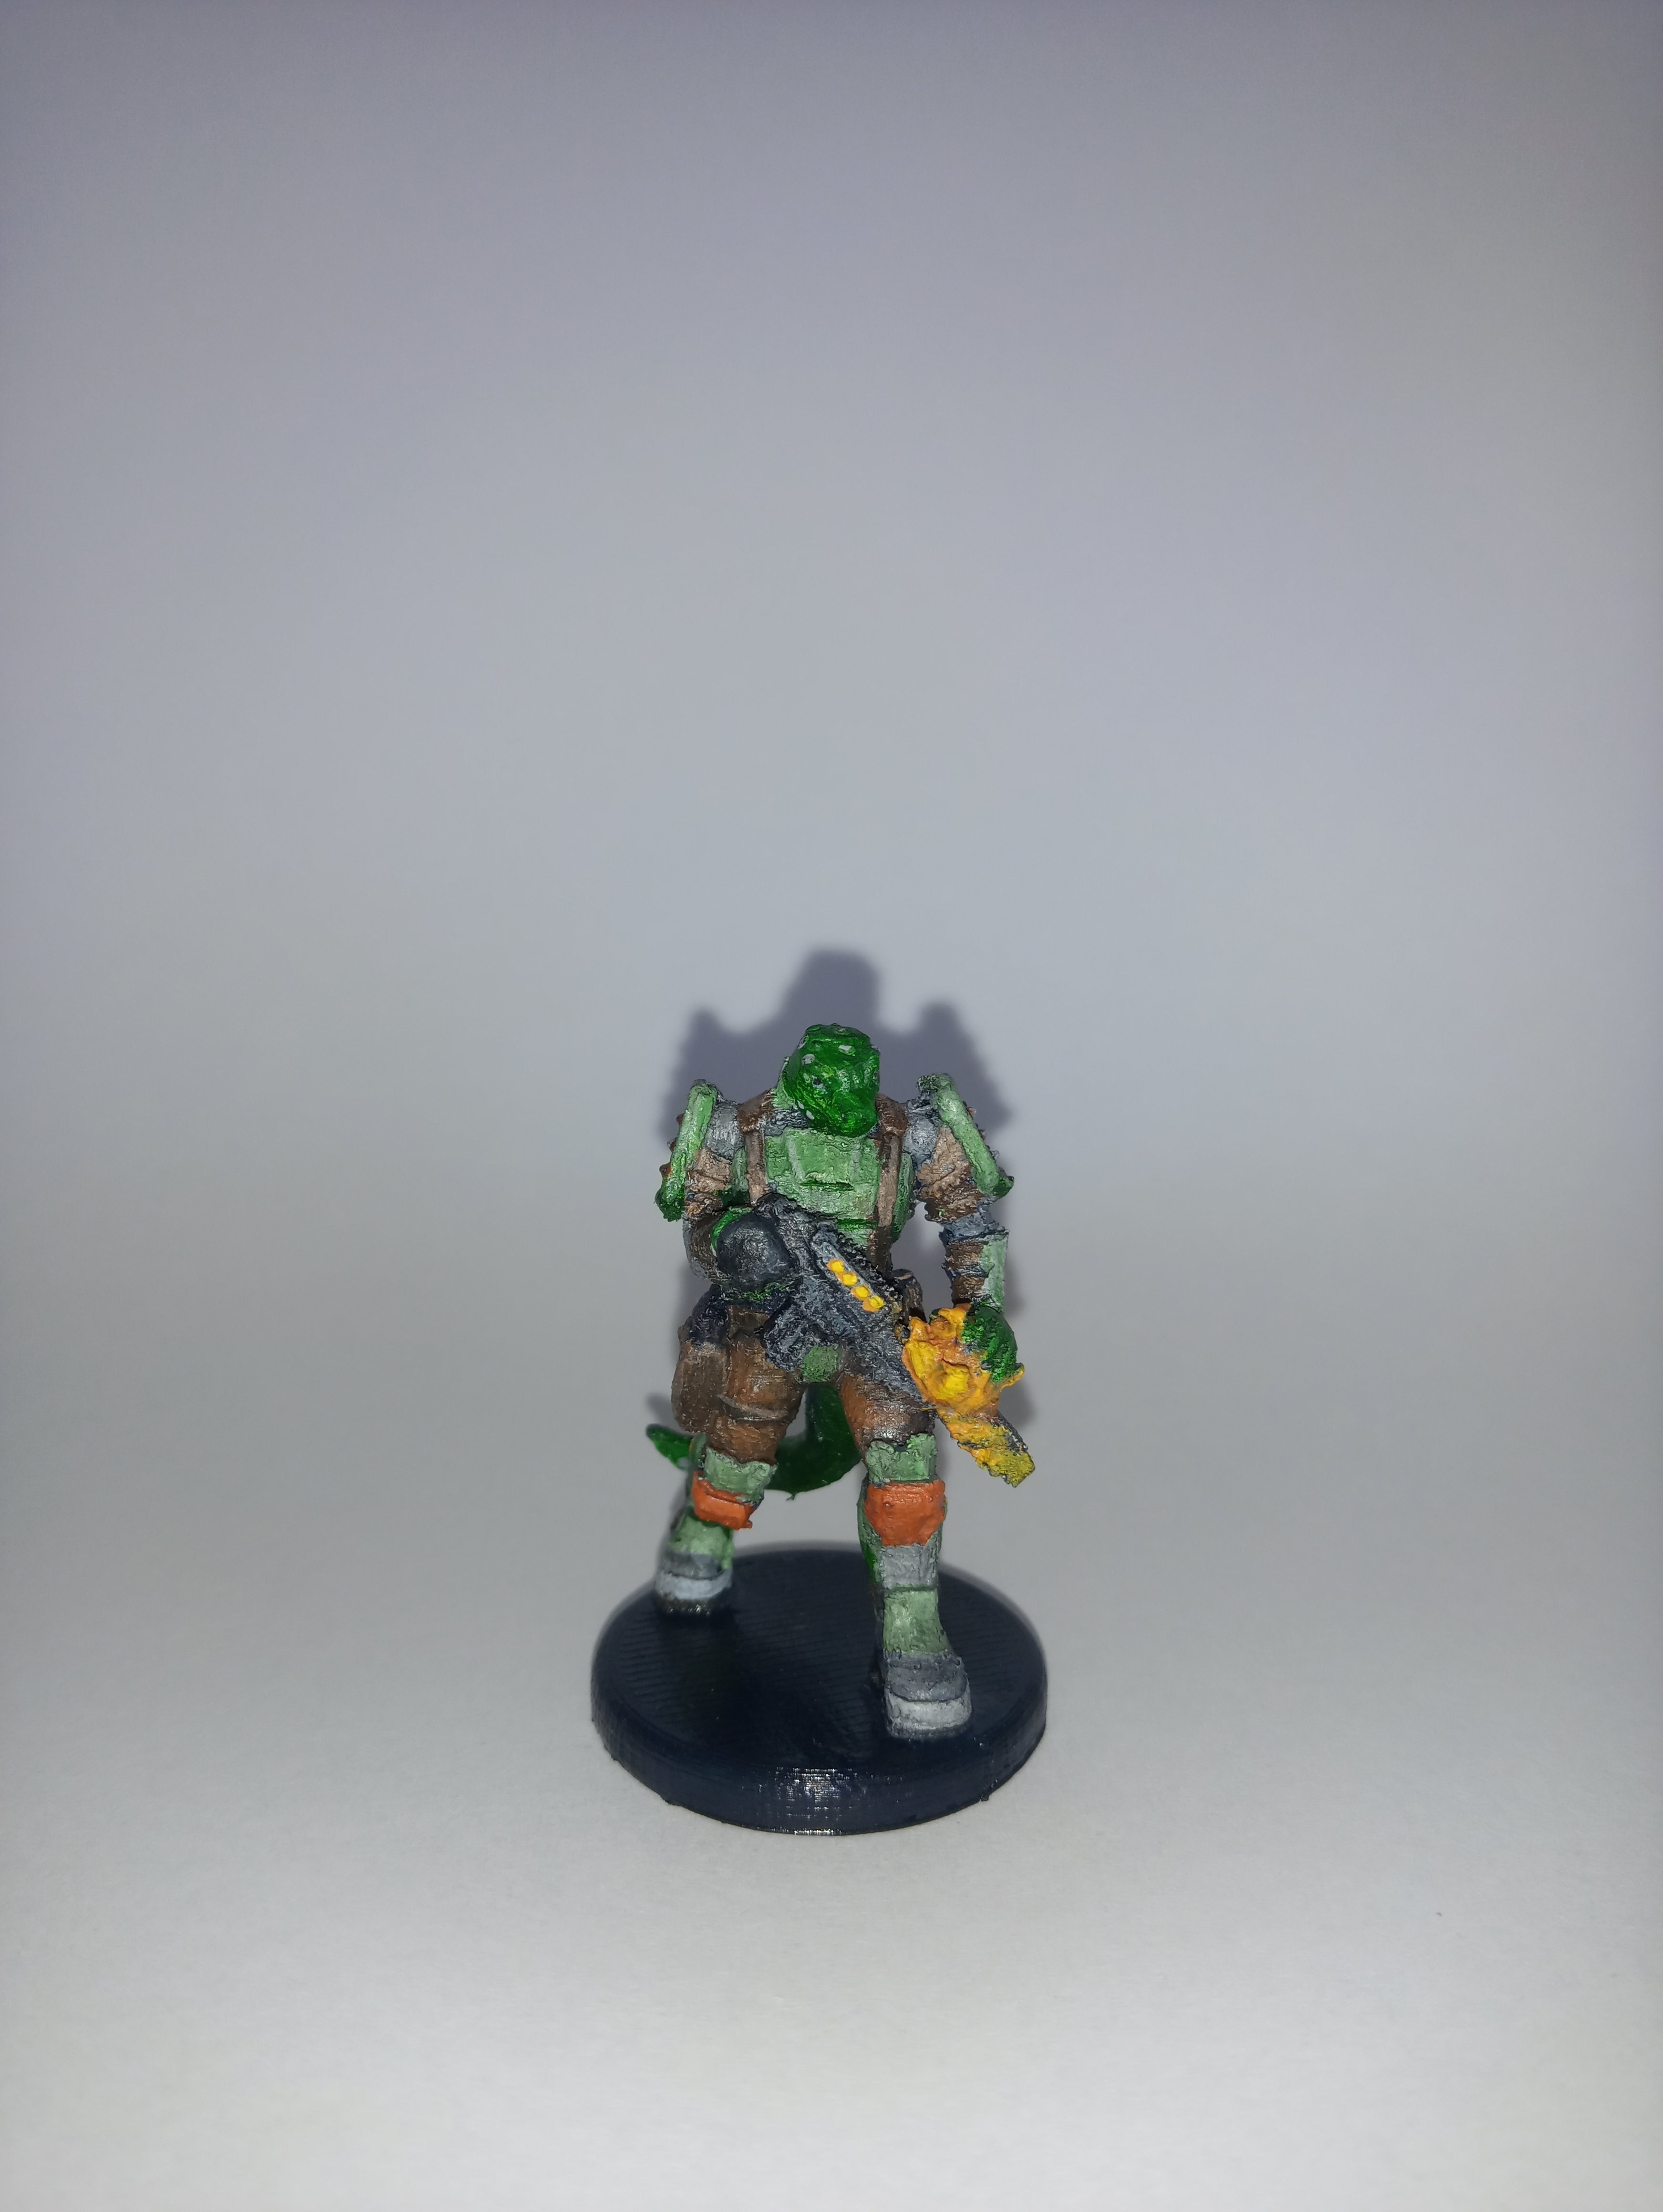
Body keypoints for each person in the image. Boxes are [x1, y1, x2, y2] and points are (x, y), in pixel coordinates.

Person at [649, 1021, 1031, 1738]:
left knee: (906, 1469)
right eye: (827, 1085)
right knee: (739, 1447)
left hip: (871, 1324)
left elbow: (971, 1222)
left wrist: (982, 1310)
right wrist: (737, 1243)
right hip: (767, 1321)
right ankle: (705, 1534)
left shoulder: (912, 1135)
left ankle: (912, 1627)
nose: (844, 1103)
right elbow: (695, 1218)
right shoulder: (734, 1130)